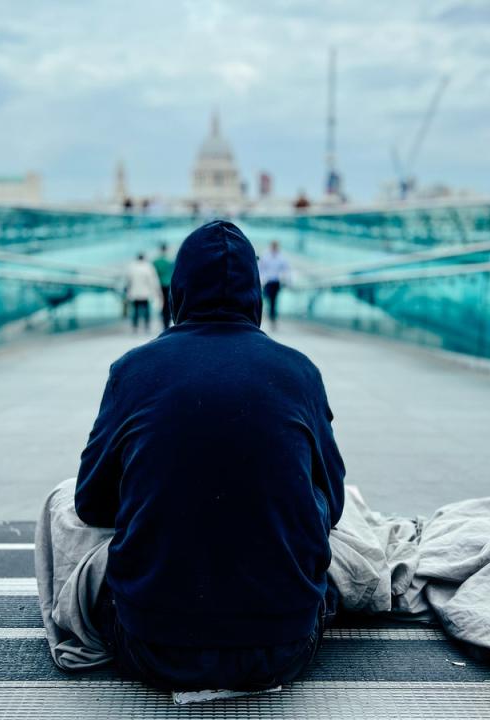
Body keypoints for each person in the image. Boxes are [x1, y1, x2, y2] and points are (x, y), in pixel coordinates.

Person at [76, 220, 345, 691]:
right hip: (283, 648)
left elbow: (88, 504)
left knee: (62, 505)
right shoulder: (300, 371)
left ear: (177, 290)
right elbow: (335, 504)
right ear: (256, 293)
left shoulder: (132, 370)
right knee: (312, 498)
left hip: (151, 646)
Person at [124, 252, 159, 333]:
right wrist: (154, 291)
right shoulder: (148, 267)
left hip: (134, 292)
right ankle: (147, 325)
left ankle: (135, 326)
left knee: (135, 310)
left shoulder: (132, 267)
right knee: (146, 310)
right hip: (146, 293)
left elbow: (128, 281)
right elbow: (152, 281)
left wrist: (127, 291)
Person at [258, 240, 290, 328]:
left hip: (276, 282)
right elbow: (260, 269)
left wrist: (286, 280)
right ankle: (264, 316)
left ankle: (272, 319)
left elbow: (286, 269)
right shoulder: (265, 256)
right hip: (267, 282)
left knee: (273, 301)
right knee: (265, 299)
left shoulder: (281, 257)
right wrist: (261, 280)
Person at [151, 243, 175, 330]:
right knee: (168, 305)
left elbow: (153, 274)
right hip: (169, 285)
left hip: (159, 285)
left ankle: (163, 322)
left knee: (162, 304)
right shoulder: (170, 261)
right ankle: (167, 322)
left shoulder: (156, 262)